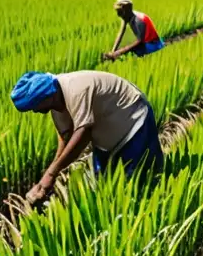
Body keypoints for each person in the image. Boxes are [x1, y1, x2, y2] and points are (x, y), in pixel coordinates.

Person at [10, 70, 164, 204]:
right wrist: (47, 178)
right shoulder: (56, 103)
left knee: (138, 178)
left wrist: (51, 173)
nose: (35, 111)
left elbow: (83, 134)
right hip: (106, 132)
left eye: (35, 106)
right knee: (104, 184)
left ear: (46, 98)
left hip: (132, 118)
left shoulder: (75, 89)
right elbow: (66, 136)